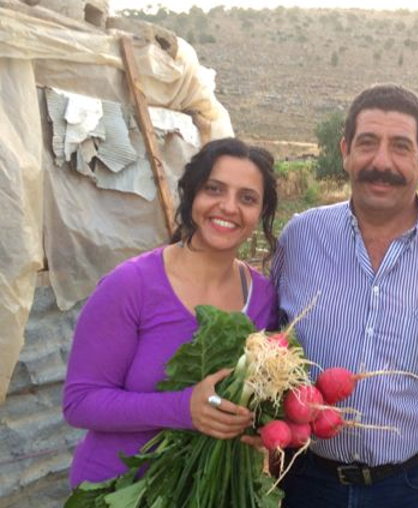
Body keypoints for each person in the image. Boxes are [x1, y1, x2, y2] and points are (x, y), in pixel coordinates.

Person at [271, 84, 418, 508]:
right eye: (368, 143)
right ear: (345, 151)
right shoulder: (300, 237)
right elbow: (273, 343)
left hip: (414, 482)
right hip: (308, 478)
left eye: (400, 147)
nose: (381, 163)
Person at [62, 138, 279, 487]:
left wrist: (260, 429)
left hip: (208, 491)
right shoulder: (131, 284)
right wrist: (183, 409)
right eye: (214, 189)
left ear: (261, 213)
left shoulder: (262, 297)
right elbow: (80, 402)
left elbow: (255, 396)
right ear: (192, 194)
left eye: (247, 198)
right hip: (118, 488)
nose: (228, 207)